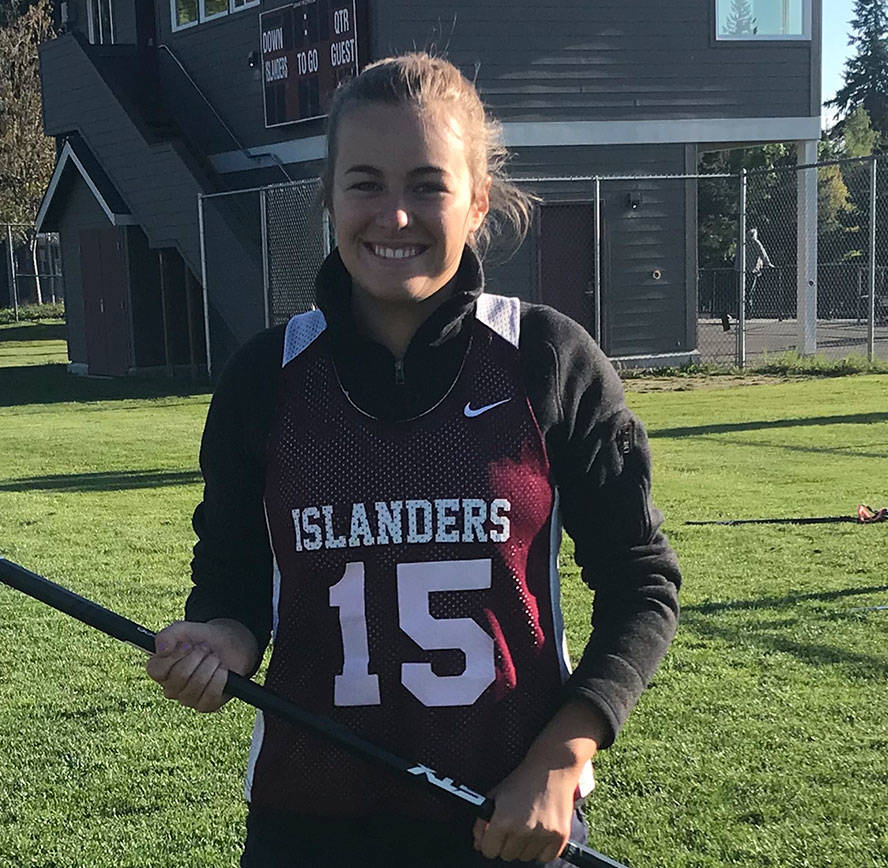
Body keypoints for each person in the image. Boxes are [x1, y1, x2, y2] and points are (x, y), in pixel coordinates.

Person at [146, 53, 680, 867]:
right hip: (308, 824)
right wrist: (221, 643)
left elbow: (642, 581)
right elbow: (234, 586)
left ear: (477, 202)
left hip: (504, 823)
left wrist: (561, 759)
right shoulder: (266, 379)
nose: (394, 217)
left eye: (427, 184)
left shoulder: (548, 361)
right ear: (327, 197)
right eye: (364, 183)